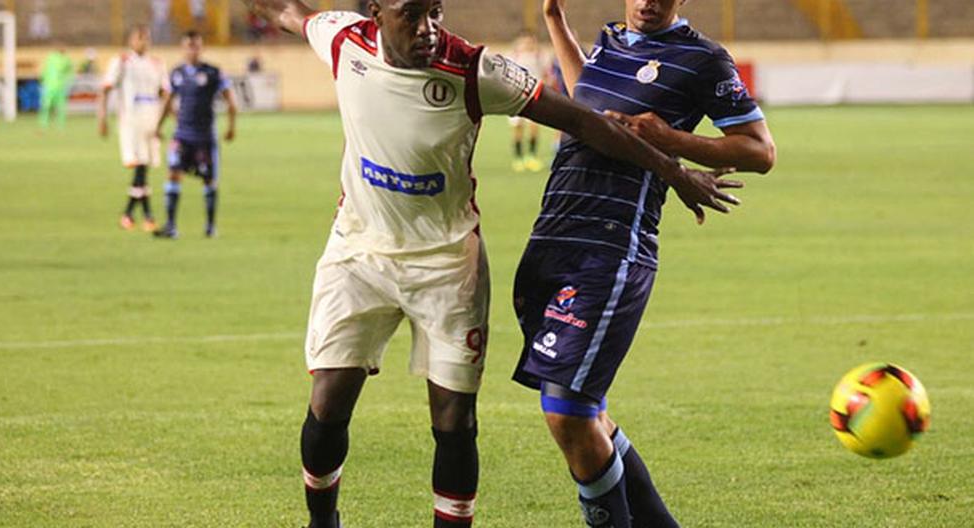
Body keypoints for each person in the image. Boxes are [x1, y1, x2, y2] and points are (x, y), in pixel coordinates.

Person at [241, 1, 739, 527]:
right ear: (375, 14)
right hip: (358, 254)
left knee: (455, 421)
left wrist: (675, 172)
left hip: (447, 264)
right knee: (327, 407)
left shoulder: (475, 70)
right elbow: (284, 10)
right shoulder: (343, 39)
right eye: (411, 14)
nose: (428, 28)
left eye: (435, 12)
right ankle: (324, 521)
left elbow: (582, 121)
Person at [512, 1, 777, 527]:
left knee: (566, 414)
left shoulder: (703, 60)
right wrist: (555, 22)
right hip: (553, 233)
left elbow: (760, 150)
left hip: (611, 246)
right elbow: (584, 95)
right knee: (587, 414)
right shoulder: (610, 39)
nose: (647, 1)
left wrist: (670, 140)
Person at [153, 30, 238, 239]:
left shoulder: (213, 72)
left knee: (209, 180)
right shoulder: (177, 73)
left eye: (196, 46)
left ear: (201, 48)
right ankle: (171, 226)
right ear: (183, 49)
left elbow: (231, 101)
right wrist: (158, 126)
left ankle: (210, 227)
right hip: (182, 135)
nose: (192, 50)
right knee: (173, 173)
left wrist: (231, 127)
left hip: (205, 137)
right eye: (188, 46)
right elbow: (168, 102)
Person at [98, 25, 169, 232]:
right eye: (139, 38)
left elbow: (166, 93)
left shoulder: (158, 63)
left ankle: (133, 215)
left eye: (146, 38)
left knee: (143, 168)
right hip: (131, 121)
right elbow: (106, 89)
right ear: (131, 40)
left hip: (152, 120)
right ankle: (143, 215)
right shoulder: (121, 61)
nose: (143, 42)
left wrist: (167, 118)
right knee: (140, 166)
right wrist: (102, 118)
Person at [508, 31, 550, 173]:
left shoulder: (539, 56)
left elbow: (545, 75)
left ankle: (531, 156)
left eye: (530, 41)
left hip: (534, 97)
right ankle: (518, 158)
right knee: (518, 127)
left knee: (534, 127)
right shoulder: (513, 56)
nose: (528, 44)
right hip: (516, 97)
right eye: (525, 41)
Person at [39, 47, 74, 130]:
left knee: (57, 107)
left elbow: (70, 71)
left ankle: (59, 125)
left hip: (57, 86)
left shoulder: (64, 59)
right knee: (48, 106)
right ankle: (44, 124)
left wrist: (67, 80)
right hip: (50, 86)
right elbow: (45, 71)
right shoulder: (52, 58)